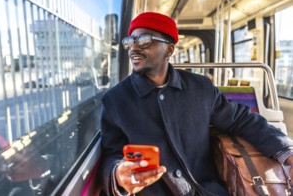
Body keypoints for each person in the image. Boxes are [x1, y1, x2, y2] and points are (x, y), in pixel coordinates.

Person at [99, 12, 293, 195]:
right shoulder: (115, 101)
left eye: (143, 40)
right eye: (129, 42)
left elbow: (240, 120)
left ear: (169, 49)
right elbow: (111, 154)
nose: (134, 48)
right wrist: (117, 174)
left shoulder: (200, 88)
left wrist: (286, 151)